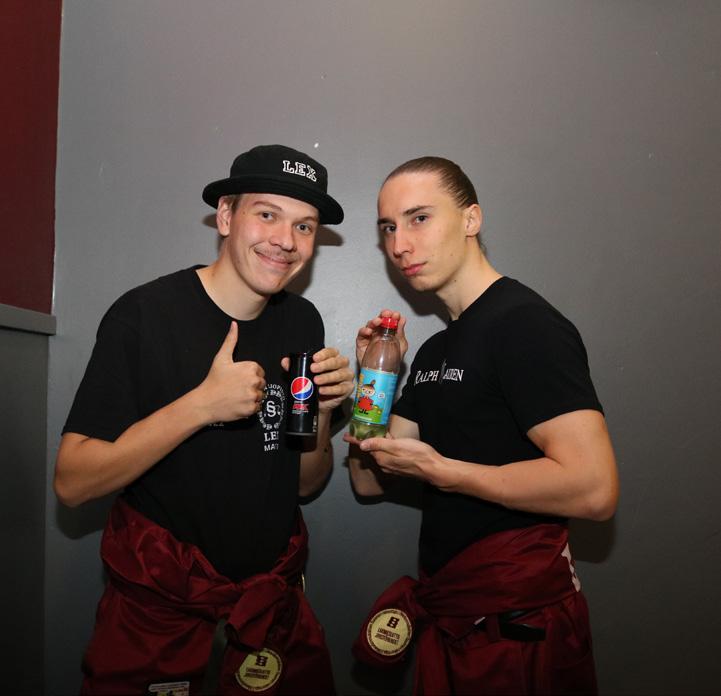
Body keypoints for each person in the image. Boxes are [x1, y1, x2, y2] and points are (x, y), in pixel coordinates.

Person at [55, 144, 354, 695]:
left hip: (268, 614)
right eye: (267, 214)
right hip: (159, 621)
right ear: (225, 216)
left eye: (304, 226)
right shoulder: (144, 314)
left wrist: (322, 411)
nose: (286, 240)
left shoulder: (302, 322)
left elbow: (306, 484)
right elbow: (73, 482)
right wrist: (202, 406)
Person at [347, 156, 619, 695]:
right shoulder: (435, 349)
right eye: (388, 228)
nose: (400, 244)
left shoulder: (525, 324)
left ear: (471, 219)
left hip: (520, 626)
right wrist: (374, 378)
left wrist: (447, 474)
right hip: (453, 616)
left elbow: (595, 490)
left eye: (419, 218)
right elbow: (367, 480)